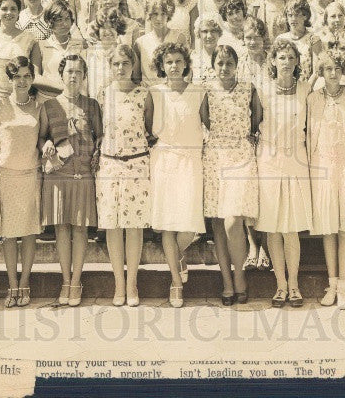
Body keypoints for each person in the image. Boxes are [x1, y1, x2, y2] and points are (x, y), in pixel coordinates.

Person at [38, 54, 102, 307]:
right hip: (59, 176)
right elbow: (41, 138)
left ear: (84, 77)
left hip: (83, 175)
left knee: (80, 228)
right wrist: (48, 144)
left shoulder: (92, 105)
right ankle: (65, 281)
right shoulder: (49, 106)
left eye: (78, 72)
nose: (73, 76)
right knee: (62, 229)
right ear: (61, 76)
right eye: (69, 72)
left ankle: (77, 281)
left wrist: (97, 150)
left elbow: (100, 136)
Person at [201, 45, 262, 305]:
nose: (224, 68)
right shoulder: (207, 90)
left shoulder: (249, 89)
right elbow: (204, 120)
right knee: (218, 224)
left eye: (229, 63)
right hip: (215, 157)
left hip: (241, 156)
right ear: (213, 66)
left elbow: (257, 121)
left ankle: (240, 277)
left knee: (233, 220)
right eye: (220, 64)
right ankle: (227, 282)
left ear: (237, 65)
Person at [0, 57, 44, 308]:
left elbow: (42, 139)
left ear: (32, 79)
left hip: (30, 175)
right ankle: (12, 285)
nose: (22, 81)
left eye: (27, 76)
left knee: (29, 233)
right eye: (17, 76)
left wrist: (49, 145)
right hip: (4, 175)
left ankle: (25, 283)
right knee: (8, 235)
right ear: (9, 79)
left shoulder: (39, 107)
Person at [257, 40, 313, 308]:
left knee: (290, 228)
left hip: (296, 161)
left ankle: (294, 285)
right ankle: (279, 284)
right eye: (281, 57)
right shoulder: (263, 90)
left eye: (291, 57)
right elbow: (252, 123)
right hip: (269, 161)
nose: (287, 62)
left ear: (297, 62)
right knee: (273, 227)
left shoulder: (305, 89)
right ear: (273, 61)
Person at [149, 42, 205, 308]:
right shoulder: (155, 92)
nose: (173, 66)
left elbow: (207, 125)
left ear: (186, 64)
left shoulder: (198, 92)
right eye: (168, 61)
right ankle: (176, 283)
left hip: (191, 160)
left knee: (191, 223)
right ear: (162, 65)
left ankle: (178, 256)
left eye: (178, 61)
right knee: (168, 224)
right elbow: (148, 127)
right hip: (164, 161)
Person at [307, 51, 345, 309]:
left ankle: (344, 286)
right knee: (329, 229)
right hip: (322, 167)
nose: (333, 73)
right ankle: (331, 283)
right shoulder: (313, 99)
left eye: (337, 68)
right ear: (321, 72)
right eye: (327, 68)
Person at [98, 45, 153, 307]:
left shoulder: (144, 94)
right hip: (109, 166)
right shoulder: (104, 94)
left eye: (125, 63)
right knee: (113, 226)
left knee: (134, 227)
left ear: (134, 65)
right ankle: (118, 284)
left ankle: (132, 284)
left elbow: (150, 130)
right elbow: (100, 132)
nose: (121, 68)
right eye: (116, 64)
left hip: (137, 165)